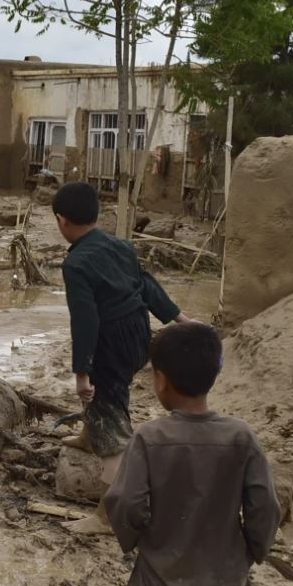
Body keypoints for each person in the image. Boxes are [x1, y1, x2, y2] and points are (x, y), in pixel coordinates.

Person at [101, 322, 280, 586]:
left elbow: (123, 501)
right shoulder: (240, 437)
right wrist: (255, 548)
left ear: (160, 380)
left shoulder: (150, 437)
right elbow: (264, 505)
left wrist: (137, 538)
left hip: (166, 568)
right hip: (224, 569)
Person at [53, 181, 188, 530]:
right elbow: (146, 284)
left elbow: (85, 323)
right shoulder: (121, 246)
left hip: (109, 343)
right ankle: (90, 433)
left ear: (61, 221)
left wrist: (82, 374)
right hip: (138, 337)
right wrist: (179, 317)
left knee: (108, 414)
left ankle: (107, 516)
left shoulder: (76, 265)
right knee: (111, 393)